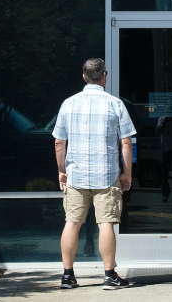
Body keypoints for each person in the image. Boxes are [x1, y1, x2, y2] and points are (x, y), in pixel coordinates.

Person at [53, 58, 136, 291]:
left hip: (76, 175)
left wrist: (62, 172)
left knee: (72, 223)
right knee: (106, 223)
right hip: (106, 175)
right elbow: (126, 141)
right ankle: (110, 276)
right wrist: (127, 173)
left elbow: (60, 142)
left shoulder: (68, 104)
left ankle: (67, 276)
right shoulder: (115, 104)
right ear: (104, 76)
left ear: (83, 77)